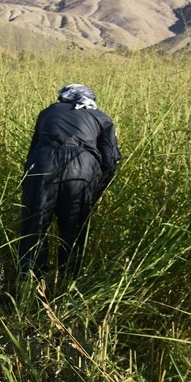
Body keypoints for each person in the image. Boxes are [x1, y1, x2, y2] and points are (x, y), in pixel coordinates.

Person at [18, 84, 120, 282]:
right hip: (82, 168)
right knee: (74, 231)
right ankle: (66, 288)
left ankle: (30, 288)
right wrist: (94, 193)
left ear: (64, 97)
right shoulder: (102, 117)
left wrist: (28, 185)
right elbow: (110, 163)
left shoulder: (48, 112)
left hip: (42, 164)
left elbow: (33, 149)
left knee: (33, 228)